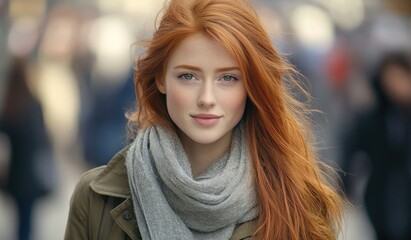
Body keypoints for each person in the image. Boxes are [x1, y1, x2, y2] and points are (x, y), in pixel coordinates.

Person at [65, 0, 343, 239]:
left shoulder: (298, 200)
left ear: (252, 86)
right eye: (188, 76)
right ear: (161, 78)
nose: (207, 98)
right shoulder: (95, 198)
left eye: (228, 78)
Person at [341, 52, 411, 240]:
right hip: (383, 197)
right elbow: (351, 149)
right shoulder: (373, 117)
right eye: (391, 78)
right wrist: (343, 184)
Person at [0, 57, 55, 240]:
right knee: (28, 222)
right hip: (31, 174)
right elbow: (43, 138)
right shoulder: (34, 104)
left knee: (20, 221)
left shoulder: (8, 106)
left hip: (14, 175)